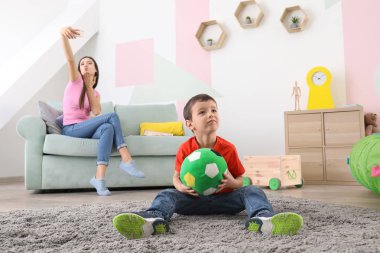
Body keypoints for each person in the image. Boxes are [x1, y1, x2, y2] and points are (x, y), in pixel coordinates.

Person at [112, 94, 303, 239]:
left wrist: (232, 184)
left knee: (252, 191)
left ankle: (263, 218)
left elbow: (242, 180)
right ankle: (153, 219)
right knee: (167, 194)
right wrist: (180, 187)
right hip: (193, 201)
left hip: (225, 201)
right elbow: (176, 176)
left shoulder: (228, 148)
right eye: (202, 112)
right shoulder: (185, 148)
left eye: (214, 110)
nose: (210, 114)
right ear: (190, 124)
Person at [60, 27, 145, 196]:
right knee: (112, 116)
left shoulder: (95, 93)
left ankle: (99, 179)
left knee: (108, 128)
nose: (84, 65)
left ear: (95, 71)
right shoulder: (74, 81)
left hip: (84, 127)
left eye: (89, 63)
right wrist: (63, 34)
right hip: (71, 128)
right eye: (82, 63)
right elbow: (70, 59)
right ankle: (126, 158)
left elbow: (97, 111)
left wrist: (89, 86)